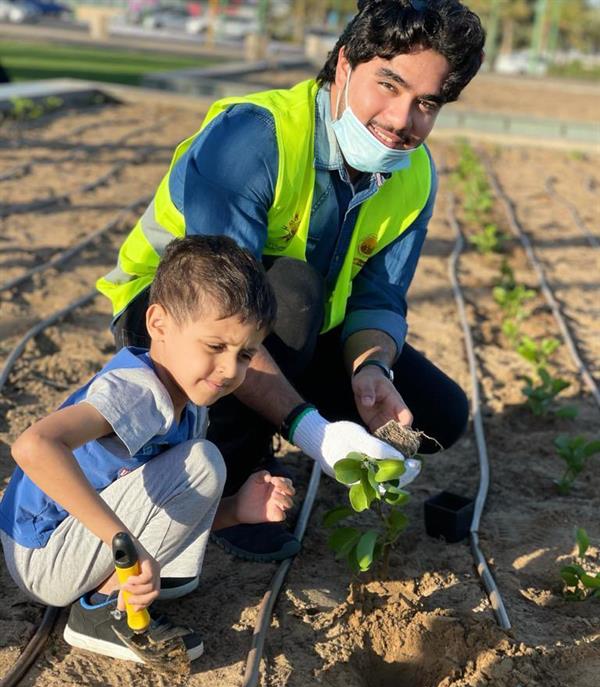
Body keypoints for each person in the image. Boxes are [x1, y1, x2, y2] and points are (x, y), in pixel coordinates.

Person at [96, 0, 485, 563]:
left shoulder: (413, 174)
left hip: (293, 328)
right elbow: (217, 309)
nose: (403, 120)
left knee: (440, 413)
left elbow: (378, 298)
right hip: (171, 317)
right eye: (389, 85)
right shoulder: (256, 136)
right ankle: (233, 472)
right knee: (293, 295)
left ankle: (282, 415)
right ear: (346, 66)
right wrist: (310, 429)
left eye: (426, 103)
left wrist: (372, 369)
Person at [0, 236, 297, 668]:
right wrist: (122, 544)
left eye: (245, 354)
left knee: (200, 465)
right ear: (158, 323)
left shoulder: (188, 400)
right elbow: (34, 446)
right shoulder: (139, 394)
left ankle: (115, 587)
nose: (231, 369)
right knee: (203, 463)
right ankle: (102, 612)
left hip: (63, 543)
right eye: (215, 346)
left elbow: (163, 505)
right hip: (42, 553)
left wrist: (236, 509)